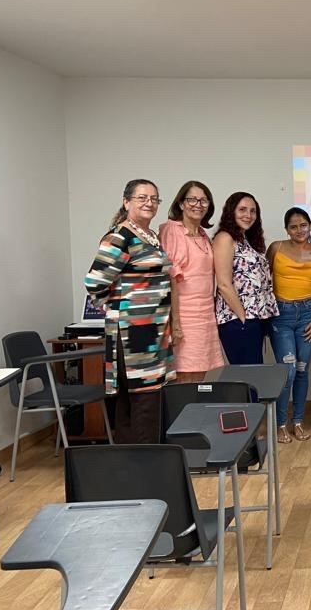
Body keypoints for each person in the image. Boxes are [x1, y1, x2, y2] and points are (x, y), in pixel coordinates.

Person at [84, 179, 174, 443]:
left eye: (154, 198)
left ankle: (131, 460)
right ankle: (145, 461)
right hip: (133, 333)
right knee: (144, 402)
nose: (149, 203)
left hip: (153, 331)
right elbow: (95, 282)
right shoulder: (119, 237)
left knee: (139, 400)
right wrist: (122, 306)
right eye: (142, 198)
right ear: (126, 202)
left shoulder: (150, 236)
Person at [268, 208, 311, 443]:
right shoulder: (276, 248)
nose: (299, 230)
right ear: (287, 230)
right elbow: (265, 282)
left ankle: (298, 421)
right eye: (293, 226)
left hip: (308, 315)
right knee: (287, 370)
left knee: (302, 369)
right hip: (281, 315)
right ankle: (281, 424)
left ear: (309, 226)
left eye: (303, 225)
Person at [158, 181, 224, 384]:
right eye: (192, 199)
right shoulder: (172, 230)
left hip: (206, 316)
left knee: (202, 375)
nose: (198, 204)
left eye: (203, 200)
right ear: (181, 204)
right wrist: (175, 325)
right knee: (185, 376)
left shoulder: (203, 234)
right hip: (185, 317)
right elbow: (170, 279)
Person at [213, 192, 278, 365]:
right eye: (242, 209)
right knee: (247, 375)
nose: (248, 215)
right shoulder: (225, 238)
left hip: (253, 319)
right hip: (237, 319)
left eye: (252, 211)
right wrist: (243, 317)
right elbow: (224, 284)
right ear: (231, 211)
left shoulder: (245, 240)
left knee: (253, 374)